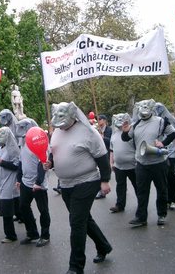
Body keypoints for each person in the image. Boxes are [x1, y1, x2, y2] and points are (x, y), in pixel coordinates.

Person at [45, 102, 112, 274]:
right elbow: (54, 150)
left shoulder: (88, 132)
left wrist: (105, 180)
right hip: (66, 185)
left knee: (76, 223)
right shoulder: (57, 131)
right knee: (83, 220)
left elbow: (102, 156)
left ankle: (76, 267)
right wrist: (50, 161)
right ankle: (104, 246)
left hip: (87, 181)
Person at [122, 99, 175, 227]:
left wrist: (163, 143)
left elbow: (173, 133)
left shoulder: (161, 121)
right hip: (142, 164)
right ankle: (141, 217)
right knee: (142, 191)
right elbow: (126, 138)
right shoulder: (135, 124)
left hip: (159, 162)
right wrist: (125, 131)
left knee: (162, 189)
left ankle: (161, 214)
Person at [15, 118, 51, 247]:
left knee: (43, 210)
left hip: (38, 184)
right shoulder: (23, 141)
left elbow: (43, 162)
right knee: (23, 207)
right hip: (25, 182)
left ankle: (45, 236)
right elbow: (21, 161)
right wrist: (19, 179)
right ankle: (32, 233)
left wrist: (38, 182)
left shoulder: (39, 140)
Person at [0, 127, 20, 243]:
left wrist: (2, 162)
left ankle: (10, 235)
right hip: (2, 180)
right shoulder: (0, 148)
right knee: (18, 207)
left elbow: (16, 165)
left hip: (10, 181)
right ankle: (31, 230)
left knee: (6, 210)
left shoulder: (12, 149)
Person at [109, 113, 137, 213]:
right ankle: (120, 205)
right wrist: (111, 162)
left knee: (137, 186)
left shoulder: (131, 132)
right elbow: (112, 149)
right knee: (120, 186)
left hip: (133, 165)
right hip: (119, 166)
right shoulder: (114, 134)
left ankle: (142, 204)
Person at [95, 114, 112, 200]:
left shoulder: (110, 130)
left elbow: (111, 142)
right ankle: (101, 192)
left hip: (108, 153)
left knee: (107, 172)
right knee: (99, 173)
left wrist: (103, 138)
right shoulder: (97, 130)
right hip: (100, 153)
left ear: (105, 120)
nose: (99, 121)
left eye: (100, 119)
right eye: (98, 119)